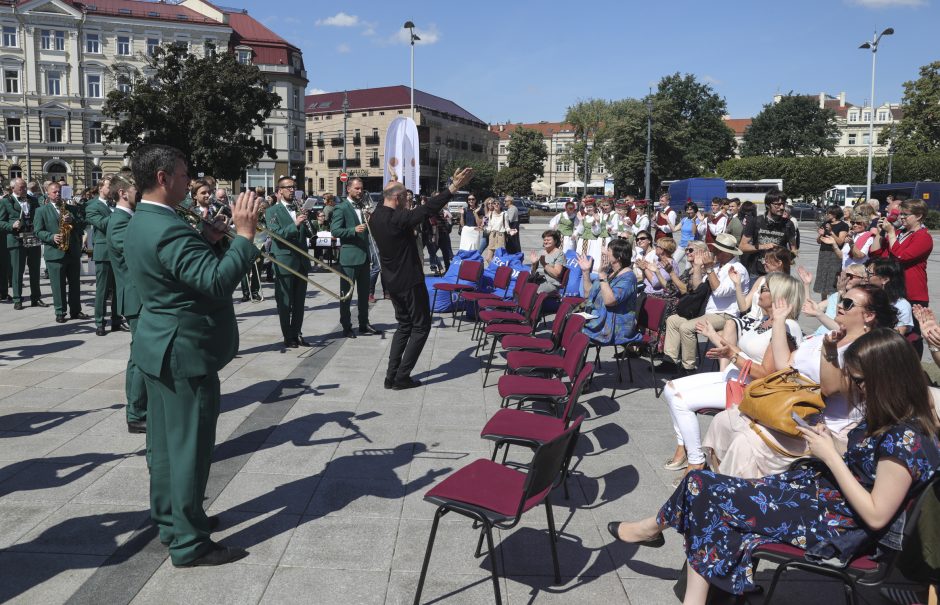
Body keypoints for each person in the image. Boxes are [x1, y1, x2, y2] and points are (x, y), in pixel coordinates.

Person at [610, 328, 940, 605]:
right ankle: (663, 544)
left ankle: (654, 530)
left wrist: (829, 456)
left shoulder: (905, 439)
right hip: (821, 499)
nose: (854, 387)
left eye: (859, 380)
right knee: (703, 487)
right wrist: (831, 444)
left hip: (834, 523)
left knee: (705, 493)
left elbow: (876, 513)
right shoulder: (896, 418)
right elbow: (867, 465)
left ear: (886, 378)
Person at [124, 144, 259, 567]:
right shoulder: (167, 227)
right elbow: (216, 282)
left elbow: (179, 275)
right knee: (190, 451)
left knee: (164, 449)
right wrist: (245, 236)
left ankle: (173, 520)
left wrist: (207, 240)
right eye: (184, 175)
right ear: (163, 178)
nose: (190, 181)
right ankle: (189, 542)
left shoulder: (146, 219)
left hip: (159, 347)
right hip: (184, 352)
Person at [704, 283, 899, 478]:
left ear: (869, 315)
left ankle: (732, 497)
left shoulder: (866, 351)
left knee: (744, 444)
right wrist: (779, 321)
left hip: (821, 428)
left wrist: (829, 352)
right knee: (722, 421)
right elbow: (784, 364)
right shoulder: (828, 336)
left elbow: (830, 389)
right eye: (841, 300)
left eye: (847, 303)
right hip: (788, 411)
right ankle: (713, 481)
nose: (839, 305)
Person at [662, 273, 805, 476]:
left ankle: (695, 461)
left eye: (765, 289)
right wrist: (714, 336)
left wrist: (732, 355)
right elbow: (742, 353)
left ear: (779, 296)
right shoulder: (764, 320)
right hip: (734, 377)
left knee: (680, 401)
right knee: (670, 388)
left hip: (750, 388)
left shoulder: (786, 327)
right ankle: (684, 446)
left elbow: (767, 374)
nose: (759, 292)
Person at [369, 168, 474, 389]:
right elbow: (429, 208)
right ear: (397, 199)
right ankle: (402, 376)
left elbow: (389, 197)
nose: (409, 202)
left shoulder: (376, 215)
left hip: (391, 281)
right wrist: (453, 188)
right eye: (406, 198)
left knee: (404, 325)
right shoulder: (400, 219)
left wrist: (395, 180)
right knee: (421, 326)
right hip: (409, 281)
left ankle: (391, 375)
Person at [662, 233, 750, 374]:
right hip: (709, 312)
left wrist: (709, 269)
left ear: (727, 253)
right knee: (673, 320)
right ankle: (670, 361)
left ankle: (688, 367)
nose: (713, 252)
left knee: (686, 327)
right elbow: (698, 288)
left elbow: (719, 291)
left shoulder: (737, 269)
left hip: (725, 315)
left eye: (717, 251)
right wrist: (697, 267)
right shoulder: (717, 266)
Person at [105, 173, 147, 434]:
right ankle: (136, 412)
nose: (139, 193)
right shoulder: (119, 222)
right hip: (136, 297)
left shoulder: (130, 218)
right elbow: (137, 254)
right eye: (135, 189)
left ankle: (141, 407)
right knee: (141, 358)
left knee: (141, 356)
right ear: (122, 193)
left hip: (141, 297)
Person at [331, 177, 380, 338]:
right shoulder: (342, 208)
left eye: (361, 188)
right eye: (357, 188)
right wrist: (353, 230)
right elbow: (335, 231)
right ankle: (346, 326)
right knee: (347, 295)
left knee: (364, 294)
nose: (360, 191)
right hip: (349, 258)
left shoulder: (362, 206)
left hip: (365, 257)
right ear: (349, 190)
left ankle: (364, 323)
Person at [266, 176, 311, 348]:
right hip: (284, 260)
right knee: (285, 302)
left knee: (300, 302)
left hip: (301, 261)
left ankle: (297, 333)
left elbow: (309, 234)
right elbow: (276, 234)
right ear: (280, 191)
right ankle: (288, 336)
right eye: (288, 187)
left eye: (294, 187)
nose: (292, 190)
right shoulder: (272, 211)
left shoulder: (298, 207)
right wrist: (295, 223)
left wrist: (309, 222)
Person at [33, 181, 86, 323]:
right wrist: (51, 237)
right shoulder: (41, 211)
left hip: (72, 251)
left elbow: (82, 227)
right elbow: (37, 231)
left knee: (75, 284)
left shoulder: (71, 209)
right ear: (48, 193)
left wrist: (72, 220)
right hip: (55, 252)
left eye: (59, 192)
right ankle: (60, 311)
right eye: (54, 192)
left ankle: (76, 310)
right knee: (58, 285)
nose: (57, 194)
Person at [576, 238, 640, 346]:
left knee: (573, 332)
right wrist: (585, 272)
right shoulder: (610, 272)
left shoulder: (628, 277)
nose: (604, 253)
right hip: (599, 319)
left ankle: (571, 361)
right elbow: (588, 294)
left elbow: (610, 301)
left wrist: (602, 276)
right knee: (569, 323)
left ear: (618, 257)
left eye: (608, 251)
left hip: (613, 328)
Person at [871, 198, 932, 307]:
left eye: (906, 214)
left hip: (911, 292)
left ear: (918, 216)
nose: (902, 217)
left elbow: (902, 257)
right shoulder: (899, 233)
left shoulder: (923, 236)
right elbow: (876, 252)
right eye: (901, 214)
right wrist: (880, 233)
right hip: (891, 290)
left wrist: (891, 233)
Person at [0, 177, 47, 310]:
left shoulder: (33, 200)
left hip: (32, 238)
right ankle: (17, 298)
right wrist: (11, 225)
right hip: (16, 240)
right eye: (21, 188)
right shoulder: (5, 202)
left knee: (35, 270)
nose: (24, 190)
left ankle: (36, 298)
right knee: (17, 271)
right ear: (13, 188)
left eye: (25, 187)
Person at [86, 176, 124, 335]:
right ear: (101, 187)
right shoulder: (92, 205)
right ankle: (100, 322)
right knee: (102, 290)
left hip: (119, 251)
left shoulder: (116, 204)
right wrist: (121, 213)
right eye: (110, 186)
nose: (113, 190)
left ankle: (116, 320)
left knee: (118, 289)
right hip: (104, 252)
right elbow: (102, 224)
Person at [739, 191, 798, 278]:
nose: (781, 207)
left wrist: (789, 258)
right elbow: (742, 247)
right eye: (777, 204)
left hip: (779, 273)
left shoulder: (788, 224)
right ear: (767, 205)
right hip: (757, 272)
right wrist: (763, 246)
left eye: (783, 204)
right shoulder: (756, 221)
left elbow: (794, 249)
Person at [866, 258, 914, 337]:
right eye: (866, 272)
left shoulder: (902, 305)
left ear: (885, 279)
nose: (865, 276)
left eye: (869, 274)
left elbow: (896, 337)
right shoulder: (866, 296)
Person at [813, 205, 849, 299]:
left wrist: (831, 231)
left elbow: (840, 241)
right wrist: (820, 235)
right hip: (823, 253)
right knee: (822, 275)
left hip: (835, 253)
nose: (827, 214)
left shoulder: (843, 225)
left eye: (829, 213)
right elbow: (818, 241)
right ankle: (823, 300)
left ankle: (833, 302)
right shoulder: (825, 223)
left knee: (833, 277)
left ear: (835, 214)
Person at [529, 230, 566, 295]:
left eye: (548, 240)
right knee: (523, 287)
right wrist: (534, 264)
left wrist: (544, 264)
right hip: (537, 280)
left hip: (550, 283)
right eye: (545, 240)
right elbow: (533, 272)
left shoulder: (559, 254)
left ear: (555, 241)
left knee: (533, 292)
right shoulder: (541, 252)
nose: (546, 242)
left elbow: (557, 274)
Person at [482, 196, 509, 265]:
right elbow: (489, 227)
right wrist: (483, 229)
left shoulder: (504, 214)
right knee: (488, 258)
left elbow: (506, 227)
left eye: (498, 204)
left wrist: (510, 231)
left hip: (500, 236)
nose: (496, 205)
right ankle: (494, 269)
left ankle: (498, 272)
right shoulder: (490, 214)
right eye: (495, 203)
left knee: (499, 258)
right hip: (492, 236)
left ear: (500, 205)